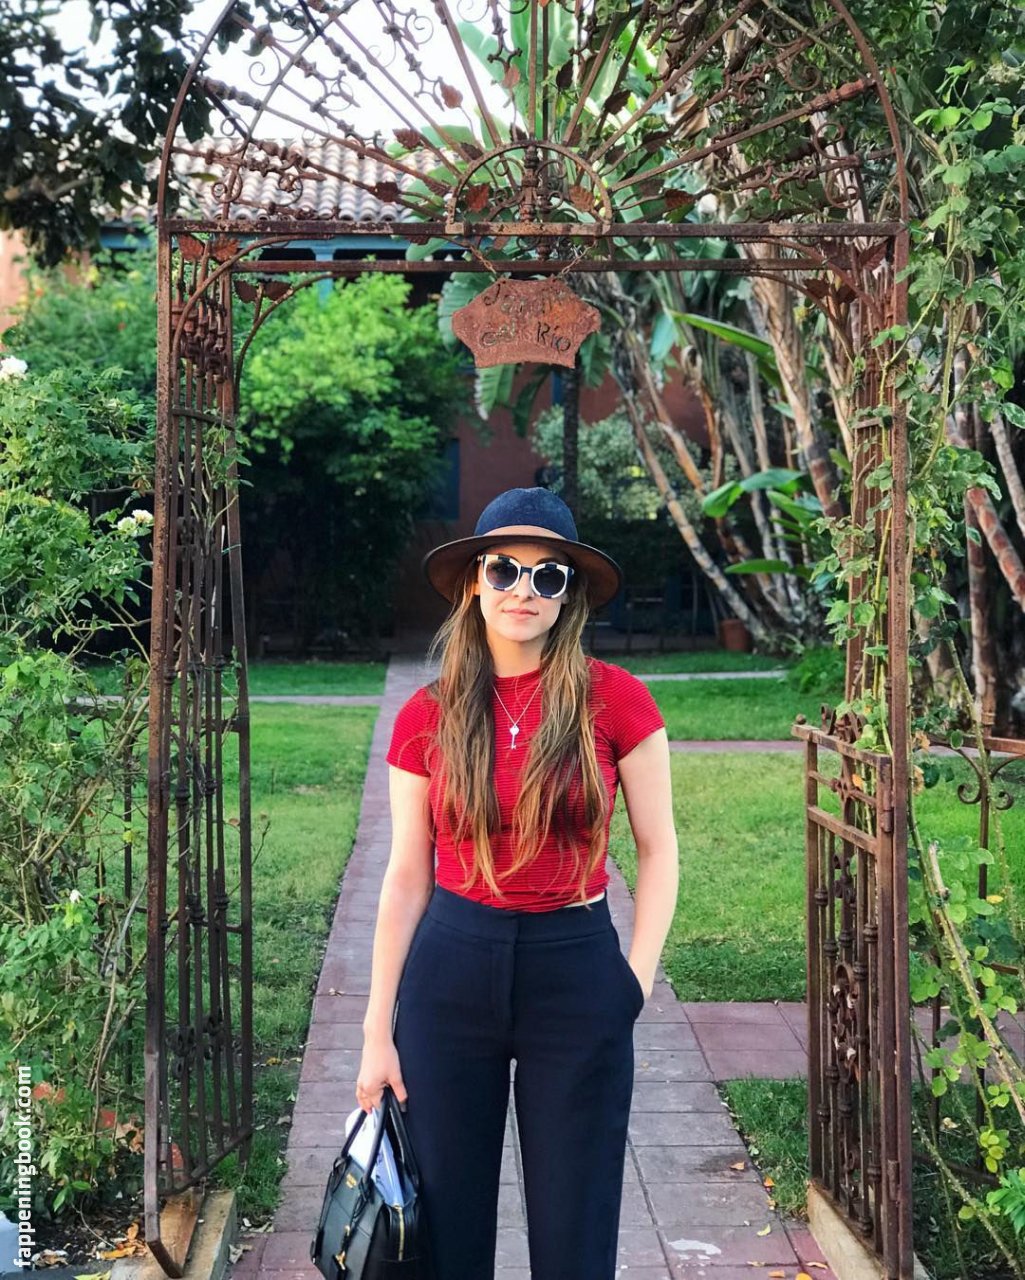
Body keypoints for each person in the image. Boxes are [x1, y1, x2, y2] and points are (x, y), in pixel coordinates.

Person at [356, 487, 679, 1280]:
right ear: (475, 581)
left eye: (547, 575)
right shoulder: (425, 715)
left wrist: (632, 985)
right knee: (444, 1231)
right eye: (503, 569)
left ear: (568, 595)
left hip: (575, 971)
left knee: (576, 1227)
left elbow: (659, 850)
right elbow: (406, 876)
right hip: (450, 971)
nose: (522, 591)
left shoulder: (617, 701)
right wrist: (374, 1032)